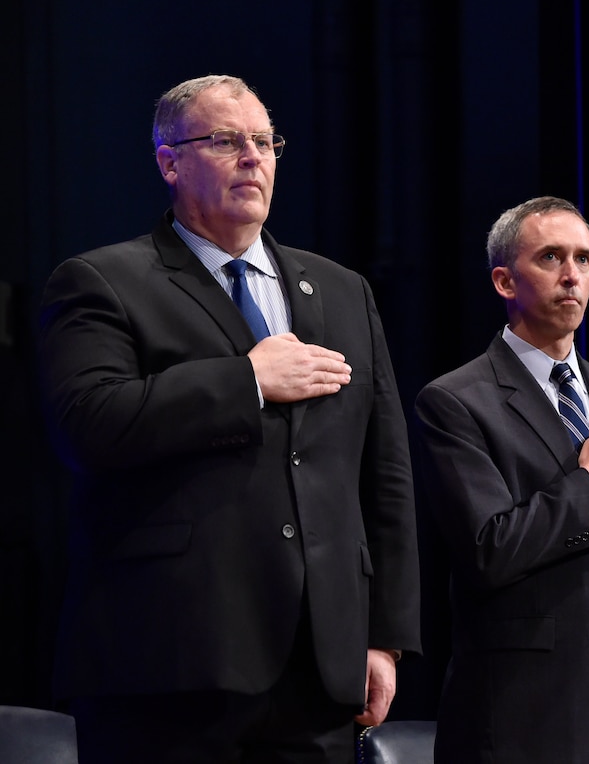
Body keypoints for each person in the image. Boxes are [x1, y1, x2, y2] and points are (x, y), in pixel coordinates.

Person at [38, 75, 421, 763]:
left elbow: (383, 472)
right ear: (168, 161)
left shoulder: (341, 290)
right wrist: (246, 380)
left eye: (265, 141)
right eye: (225, 141)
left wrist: (385, 635)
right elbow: (88, 424)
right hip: (168, 663)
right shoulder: (103, 281)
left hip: (319, 665)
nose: (253, 157)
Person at [414, 196, 589, 764]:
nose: (572, 275)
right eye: (550, 258)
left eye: (584, 259)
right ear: (504, 280)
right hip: (525, 718)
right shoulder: (455, 401)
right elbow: (489, 550)